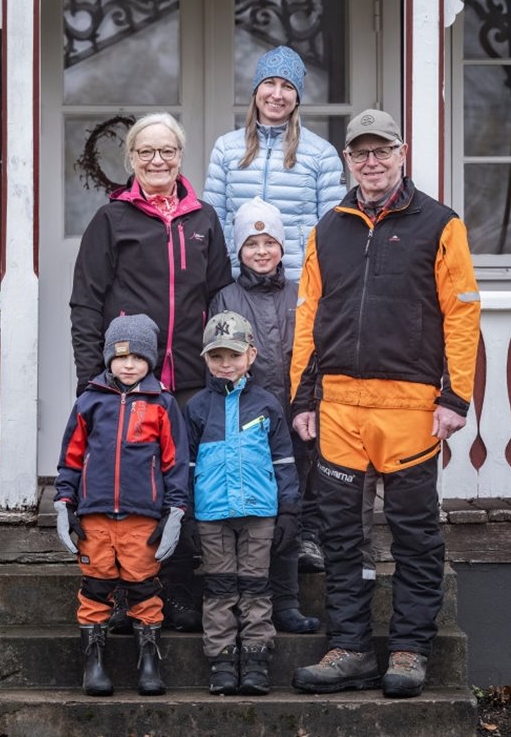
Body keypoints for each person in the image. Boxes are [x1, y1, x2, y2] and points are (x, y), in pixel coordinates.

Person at [288, 109, 481, 699]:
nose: (371, 162)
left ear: (403, 152)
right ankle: (348, 649)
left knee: (415, 535)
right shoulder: (328, 228)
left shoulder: (441, 225)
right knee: (342, 536)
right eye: (360, 152)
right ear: (348, 159)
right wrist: (303, 395)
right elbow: (307, 317)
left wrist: (456, 396)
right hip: (340, 406)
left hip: (412, 407)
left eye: (382, 151)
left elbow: (463, 311)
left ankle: (408, 651)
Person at [70, 112, 233, 632]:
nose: (157, 160)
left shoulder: (203, 219)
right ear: (132, 160)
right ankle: (123, 596)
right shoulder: (112, 220)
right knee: (128, 490)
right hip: (127, 384)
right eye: (146, 152)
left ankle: (179, 592)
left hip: (188, 380)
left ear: (180, 157)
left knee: (180, 486)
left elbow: (220, 297)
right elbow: (85, 303)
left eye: (167, 151)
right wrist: (90, 377)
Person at [53, 314, 190, 697]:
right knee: (96, 587)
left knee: (143, 586)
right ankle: (93, 663)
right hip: (94, 516)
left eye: (137, 358)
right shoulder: (88, 402)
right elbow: (71, 459)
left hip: (141, 518)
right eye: (120, 357)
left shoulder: (162, 404)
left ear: (151, 361)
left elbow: (174, 463)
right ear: (108, 359)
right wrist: (64, 503)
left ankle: (148, 661)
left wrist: (175, 511)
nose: (128, 365)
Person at [208, 198, 320, 635]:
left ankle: (287, 600)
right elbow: (221, 359)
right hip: (249, 422)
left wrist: (308, 402)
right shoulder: (226, 297)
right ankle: (243, 600)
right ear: (239, 250)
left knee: (288, 508)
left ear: (282, 247)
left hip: (295, 416)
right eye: (251, 243)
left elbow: (313, 350)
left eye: (269, 242)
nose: (261, 251)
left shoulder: (299, 294)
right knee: (254, 514)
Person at [185, 311, 300, 695]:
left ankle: (254, 661)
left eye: (233, 355)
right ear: (206, 360)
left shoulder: (266, 405)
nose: (225, 364)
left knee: (255, 587)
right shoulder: (197, 408)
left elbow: (284, 461)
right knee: (218, 590)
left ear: (251, 355)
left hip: (260, 514)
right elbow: (184, 466)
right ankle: (220, 663)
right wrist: (184, 515)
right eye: (216, 357)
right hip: (212, 515)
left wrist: (288, 510)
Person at [203, 45, 345, 282]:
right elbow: (212, 222)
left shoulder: (321, 154)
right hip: (235, 283)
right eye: (270, 83)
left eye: (288, 86)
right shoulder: (226, 148)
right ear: (256, 89)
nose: (277, 95)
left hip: (297, 284)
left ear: (297, 97)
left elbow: (334, 234)